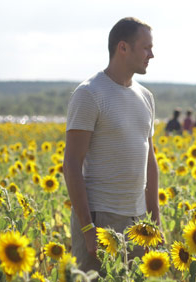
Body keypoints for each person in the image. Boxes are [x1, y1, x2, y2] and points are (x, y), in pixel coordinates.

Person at [63, 17, 160, 273]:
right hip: (100, 218)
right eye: (146, 47)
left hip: (137, 220)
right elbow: (72, 163)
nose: (152, 54)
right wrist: (87, 228)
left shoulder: (146, 97)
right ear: (123, 47)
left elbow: (150, 161)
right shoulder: (90, 93)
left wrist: (154, 221)